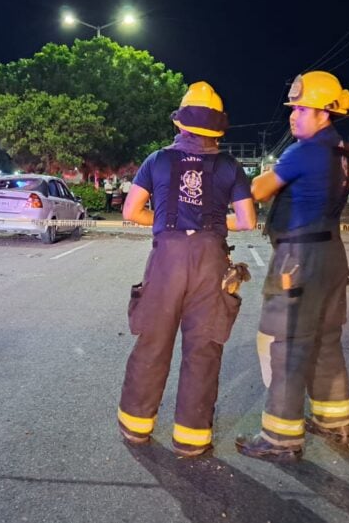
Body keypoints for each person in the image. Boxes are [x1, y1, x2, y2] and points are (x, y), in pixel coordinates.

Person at [117, 81, 257, 458]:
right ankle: (192, 438)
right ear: (216, 129)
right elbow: (247, 220)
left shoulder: (157, 160)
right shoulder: (229, 166)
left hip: (166, 259)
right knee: (204, 348)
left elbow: (130, 212)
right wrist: (212, 221)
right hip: (211, 260)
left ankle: (136, 427)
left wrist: (164, 218)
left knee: (153, 342)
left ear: (180, 124)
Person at [235, 71, 349, 462]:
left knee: (287, 344)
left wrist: (248, 178)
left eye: (302, 108)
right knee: (326, 340)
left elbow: (258, 190)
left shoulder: (303, 152)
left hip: (299, 259)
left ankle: (281, 437)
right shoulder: (339, 150)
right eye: (294, 108)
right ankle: (334, 419)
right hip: (332, 256)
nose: (294, 115)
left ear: (324, 113)